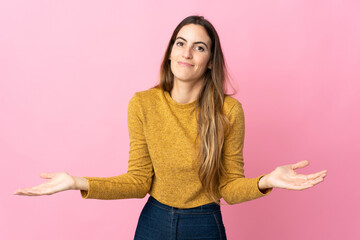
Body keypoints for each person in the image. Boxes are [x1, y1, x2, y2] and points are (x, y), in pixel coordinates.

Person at [14, 15, 327, 240]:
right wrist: (79, 182)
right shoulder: (143, 104)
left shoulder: (229, 111)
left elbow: (229, 188)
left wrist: (265, 181)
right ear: (171, 51)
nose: (187, 53)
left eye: (199, 47)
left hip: (205, 224)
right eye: (181, 43)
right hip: (154, 222)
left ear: (209, 60)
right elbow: (138, 181)